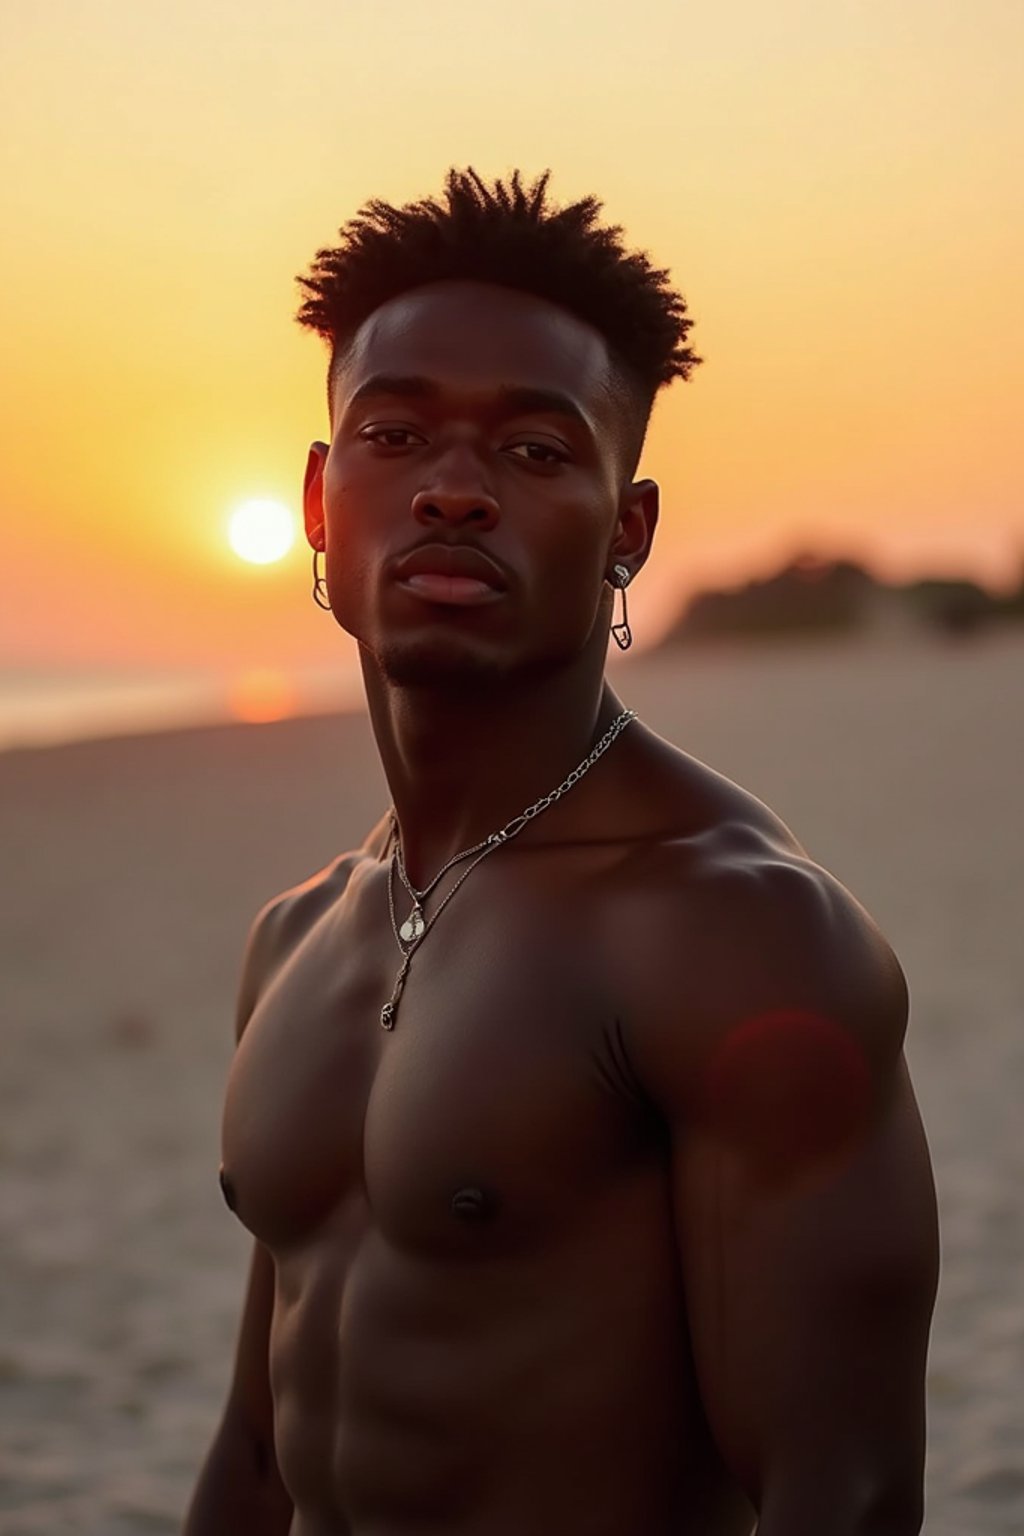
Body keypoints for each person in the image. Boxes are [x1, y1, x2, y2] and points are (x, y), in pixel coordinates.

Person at [184, 168, 939, 1536]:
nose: (454, 492)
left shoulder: (733, 934)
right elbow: (255, 1452)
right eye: (395, 434)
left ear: (626, 534)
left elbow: (848, 1493)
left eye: (534, 452)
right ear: (315, 497)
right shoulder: (299, 936)